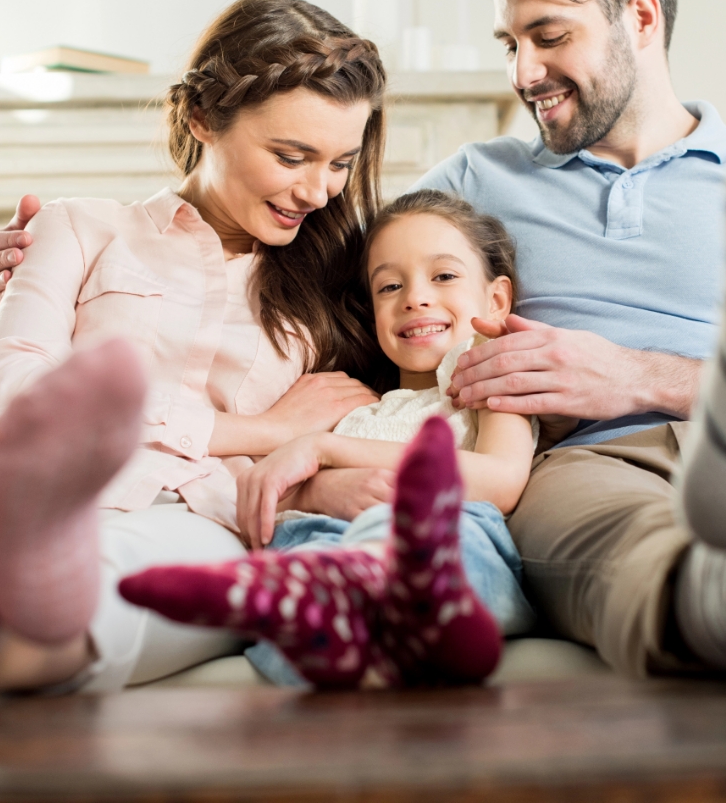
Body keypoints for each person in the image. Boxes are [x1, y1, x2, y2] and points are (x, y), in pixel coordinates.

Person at [0, 0, 726, 694]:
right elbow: (300, 240)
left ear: (642, 16)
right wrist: (52, 257)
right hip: (592, 461)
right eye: (509, 44)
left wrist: (648, 375)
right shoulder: (468, 186)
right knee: (639, 558)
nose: (524, 72)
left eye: (549, 35)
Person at [0, 0, 499, 716]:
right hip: (27, 473)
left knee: (95, 598)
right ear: (201, 118)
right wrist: (261, 429)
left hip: (198, 516)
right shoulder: (78, 228)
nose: (318, 191)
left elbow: (406, 393)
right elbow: (11, 394)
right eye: (291, 156)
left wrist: (309, 479)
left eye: (340, 164)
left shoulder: (346, 286)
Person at [118, 189, 538, 687]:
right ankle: (334, 622)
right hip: (318, 540)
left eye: (443, 276)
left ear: (496, 299)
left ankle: (408, 610)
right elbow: (268, 496)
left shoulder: (486, 376)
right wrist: (302, 471)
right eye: (389, 286)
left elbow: (501, 479)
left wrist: (324, 449)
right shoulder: (345, 402)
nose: (415, 298)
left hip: (444, 535)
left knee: (427, 543)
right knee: (306, 561)